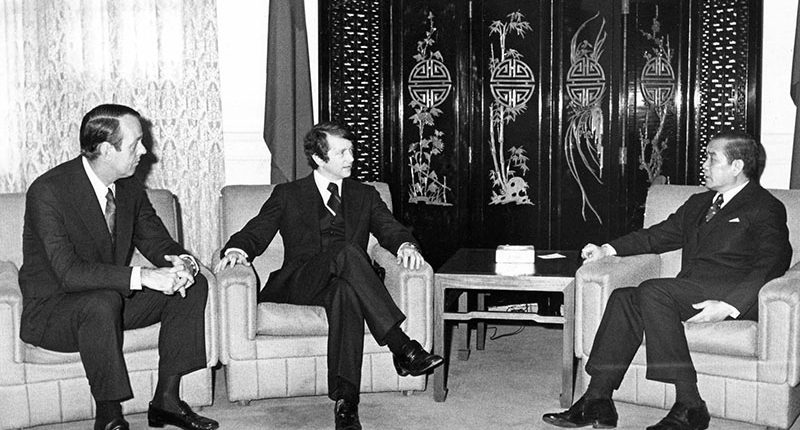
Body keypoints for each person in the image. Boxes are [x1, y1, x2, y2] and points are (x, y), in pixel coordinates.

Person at [542, 132, 791, 430]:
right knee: (624, 298)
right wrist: (607, 249)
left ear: (737, 166)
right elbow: (657, 236)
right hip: (689, 289)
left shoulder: (764, 206)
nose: (704, 164)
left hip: (733, 295)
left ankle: (689, 403)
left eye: (712, 158)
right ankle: (597, 399)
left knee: (653, 291)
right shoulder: (699, 203)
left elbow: (773, 261)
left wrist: (729, 305)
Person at [215, 122, 443, 430]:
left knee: (346, 294)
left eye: (351, 151)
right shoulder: (288, 194)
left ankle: (346, 403)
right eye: (342, 153)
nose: (352, 158)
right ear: (319, 159)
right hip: (301, 283)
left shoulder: (366, 194)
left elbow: (390, 228)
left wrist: (404, 245)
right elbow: (257, 230)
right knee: (347, 251)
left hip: (343, 283)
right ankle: (401, 345)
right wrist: (237, 249)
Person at [19, 104, 219, 430]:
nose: (145, 151)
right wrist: (145, 276)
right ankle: (109, 417)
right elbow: (69, 273)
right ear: (106, 150)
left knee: (192, 285)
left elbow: (156, 241)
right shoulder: (49, 191)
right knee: (102, 302)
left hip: (111, 301)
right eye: (135, 144)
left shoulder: (128, 187)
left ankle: (166, 400)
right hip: (54, 312)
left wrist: (181, 263)